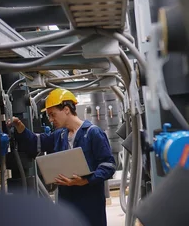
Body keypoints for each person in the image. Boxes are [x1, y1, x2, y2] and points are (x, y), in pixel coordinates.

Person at [8, 88, 116, 226]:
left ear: (66, 109)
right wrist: (19, 126)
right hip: (66, 203)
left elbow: (109, 165)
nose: (51, 120)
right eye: (49, 116)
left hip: (89, 202)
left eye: (53, 115)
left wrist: (86, 180)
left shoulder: (92, 133)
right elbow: (35, 143)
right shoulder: (60, 135)